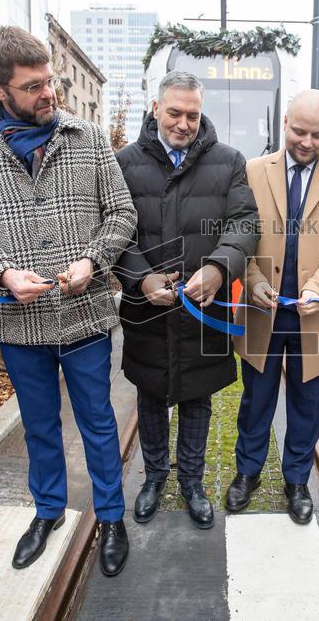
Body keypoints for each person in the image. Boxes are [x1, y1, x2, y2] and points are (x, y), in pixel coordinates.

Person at [0, 27, 137, 576]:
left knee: (98, 422)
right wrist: (2, 272)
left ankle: (110, 516)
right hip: (18, 323)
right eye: (32, 87)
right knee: (38, 425)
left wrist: (93, 262)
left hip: (85, 315)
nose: (48, 94)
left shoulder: (87, 138)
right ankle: (48, 510)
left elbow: (122, 214)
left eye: (50, 81)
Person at [114, 71, 257, 530]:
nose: (183, 123)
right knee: (151, 396)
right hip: (147, 310)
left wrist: (218, 268)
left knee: (198, 399)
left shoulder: (230, 161)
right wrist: (139, 278)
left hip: (205, 309)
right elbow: (115, 232)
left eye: (192, 114)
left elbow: (244, 222)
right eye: (174, 112)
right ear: (156, 108)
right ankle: (155, 476)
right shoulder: (123, 162)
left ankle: (192, 481)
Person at [227, 89, 319, 524]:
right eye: (300, 131)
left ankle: (297, 481)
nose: (307, 142)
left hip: (313, 313)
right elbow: (239, 232)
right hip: (261, 308)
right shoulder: (250, 171)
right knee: (256, 400)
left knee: (308, 403)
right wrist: (254, 281)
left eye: (318, 134)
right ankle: (247, 473)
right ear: (285, 123)